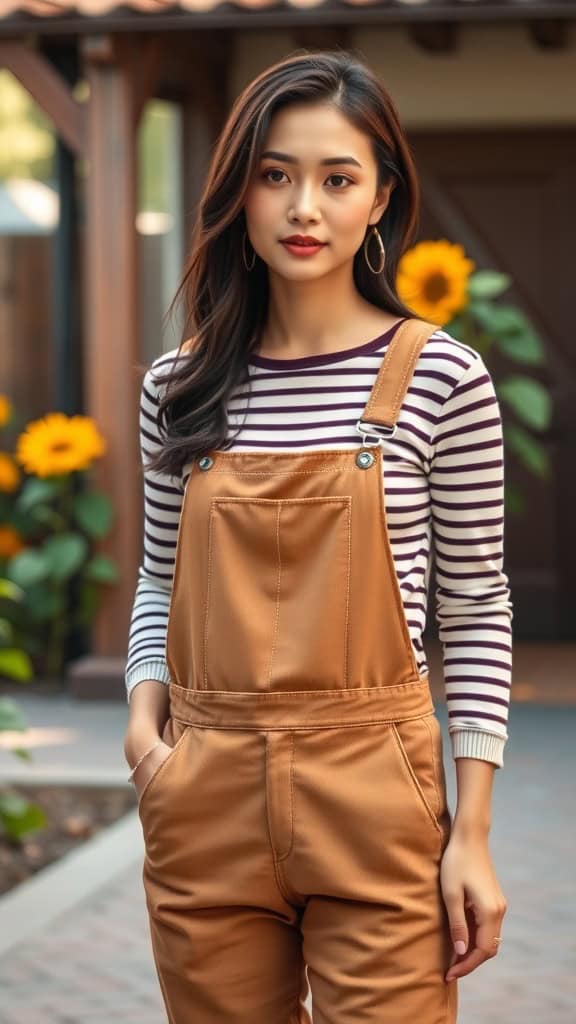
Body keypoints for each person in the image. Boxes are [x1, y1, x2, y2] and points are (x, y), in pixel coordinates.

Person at [123, 49, 511, 1023]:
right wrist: (144, 727)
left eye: (338, 179)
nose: (305, 207)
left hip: (376, 793)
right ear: (239, 194)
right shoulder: (178, 388)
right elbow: (160, 579)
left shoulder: (443, 379)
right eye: (275, 174)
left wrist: (472, 831)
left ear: (380, 199)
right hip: (204, 789)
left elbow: (474, 607)